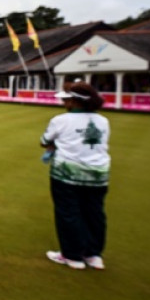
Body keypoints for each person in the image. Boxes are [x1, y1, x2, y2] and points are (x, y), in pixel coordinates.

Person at [41, 81, 111, 270]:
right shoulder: (103, 121)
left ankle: (72, 256)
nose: (64, 103)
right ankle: (93, 255)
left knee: (68, 213)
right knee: (94, 213)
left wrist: (53, 146)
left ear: (73, 101)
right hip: (98, 174)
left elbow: (44, 141)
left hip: (67, 173)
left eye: (66, 100)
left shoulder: (61, 120)